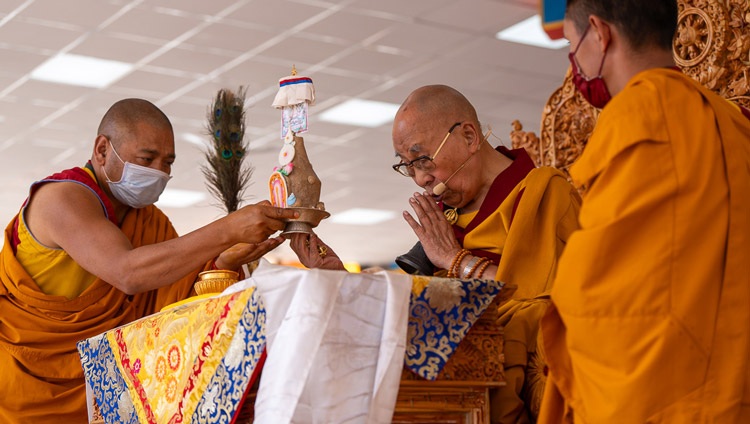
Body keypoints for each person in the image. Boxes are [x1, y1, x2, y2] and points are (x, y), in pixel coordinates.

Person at [292, 85, 582, 423]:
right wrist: (342, 279)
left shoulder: (545, 193)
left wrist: (456, 260)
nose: (419, 179)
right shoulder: (443, 220)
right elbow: (420, 306)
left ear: (470, 136)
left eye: (423, 160)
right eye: (407, 166)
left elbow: (554, 307)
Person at [0, 98, 298, 423]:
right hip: (28, 394)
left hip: (104, 397)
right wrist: (226, 230)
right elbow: (127, 272)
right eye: (147, 158)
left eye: (167, 162)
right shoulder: (59, 199)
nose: (159, 172)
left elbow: (173, 313)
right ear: (102, 150)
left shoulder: (150, 224)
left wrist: (221, 263)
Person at [538, 1, 750, 422]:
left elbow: (591, 283)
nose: (574, 63)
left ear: (599, 33)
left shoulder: (635, 114)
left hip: (662, 391)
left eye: (571, 43)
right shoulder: (733, 121)